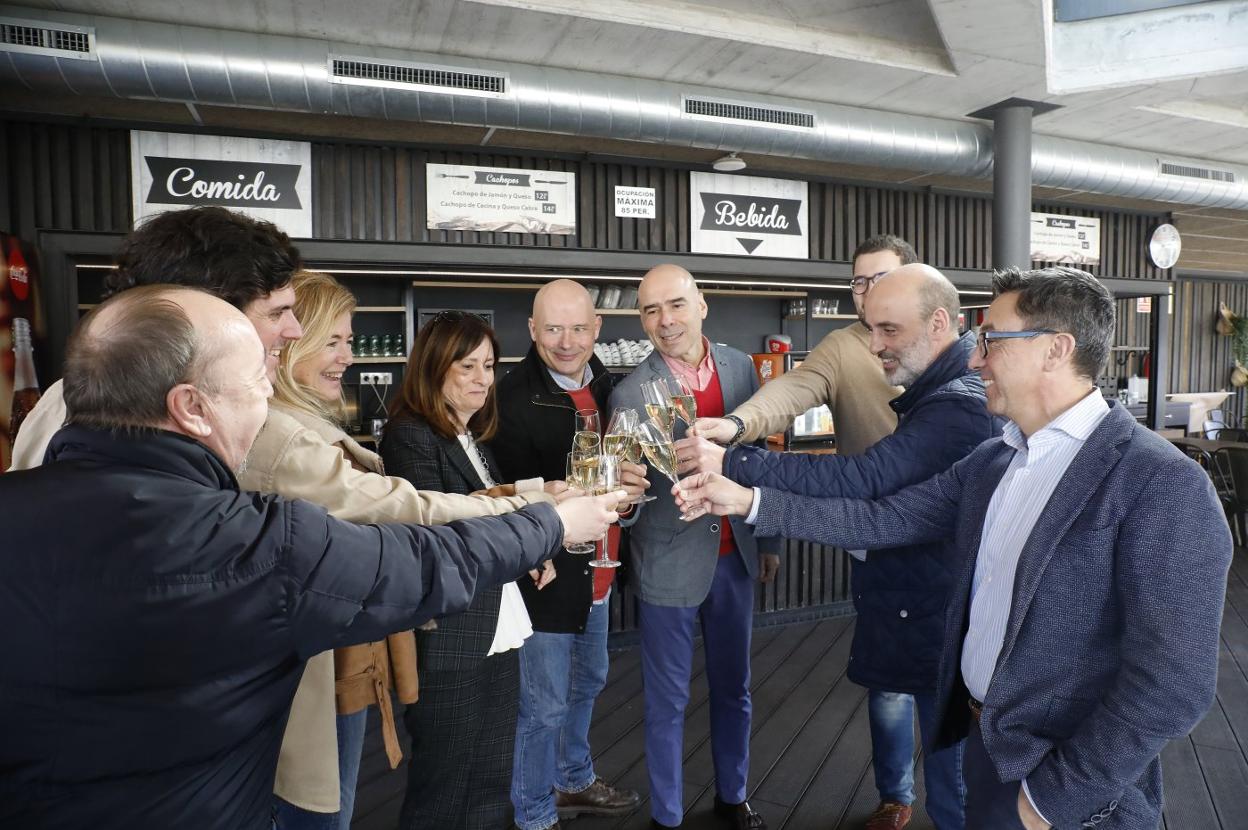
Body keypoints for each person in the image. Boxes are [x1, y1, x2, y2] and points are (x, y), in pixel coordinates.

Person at [7, 206, 568, 821]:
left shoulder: (64, 402)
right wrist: (545, 517)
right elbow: (407, 530)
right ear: (201, 317)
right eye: (279, 313)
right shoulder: (266, 441)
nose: (293, 331)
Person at [678, 267, 1233, 830]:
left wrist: (1051, 801)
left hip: (1065, 796)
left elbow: (1172, 685)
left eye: (991, 339)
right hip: (982, 750)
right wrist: (746, 501)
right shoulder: (995, 462)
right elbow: (883, 519)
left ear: (1056, 350)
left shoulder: (1161, 484)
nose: (973, 359)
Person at [680, 264, 993, 830]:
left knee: (954, 779)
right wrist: (739, 440)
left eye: (889, 331)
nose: (875, 346)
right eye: (870, 327)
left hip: (938, 602)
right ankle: (898, 798)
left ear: (941, 321)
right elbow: (881, 512)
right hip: (919, 590)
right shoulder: (946, 392)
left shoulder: (957, 405)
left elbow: (870, 491)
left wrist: (737, 466)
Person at [380, 311, 571, 830]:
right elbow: (442, 522)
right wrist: (535, 509)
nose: (484, 379)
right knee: (442, 787)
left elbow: (489, 510)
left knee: (489, 778)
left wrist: (533, 550)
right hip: (449, 632)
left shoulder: (472, 437)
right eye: (468, 366)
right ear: (434, 368)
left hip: (495, 624)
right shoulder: (410, 434)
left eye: (488, 365)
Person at [609, 264, 780, 830]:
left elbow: (764, 460)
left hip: (736, 557)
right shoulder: (630, 391)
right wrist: (626, 494)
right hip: (667, 565)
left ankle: (734, 797)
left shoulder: (739, 369)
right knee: (666, 702)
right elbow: (619, 498)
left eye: (675, 305)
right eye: (651, 310)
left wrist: (770, 536)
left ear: (701, 304)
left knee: (736, 688)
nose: (665, 320)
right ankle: (668, 817)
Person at [259, 271, 418, 828]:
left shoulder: (300, 426)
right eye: (334, 341)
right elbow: (407, 514)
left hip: (338, 663)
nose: (347, 357)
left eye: (349, 342)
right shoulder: (285, 437)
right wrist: (532, 511)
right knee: (319, 811)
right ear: (291, 339)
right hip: (312, 673)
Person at [491, 279, 644, 830]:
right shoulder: (506, 399)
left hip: (602, 572)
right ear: (532, 330)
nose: (566, 340)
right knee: (544, 705)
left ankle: (573, 779)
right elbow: (500, 500)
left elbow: (625, 492)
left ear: (597, 328)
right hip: (547, 579)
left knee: (588, 682)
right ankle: (533, 813)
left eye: (579, 327)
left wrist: (629, 502)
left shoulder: (615, 390)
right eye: (552, 328)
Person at [691, 234, 916, 456]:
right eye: (860, 281)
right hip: (868, 489)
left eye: (883, 278)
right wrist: (736, 424)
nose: (869, 291)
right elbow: (789, 392)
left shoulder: (941, 342)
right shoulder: (841, 347)